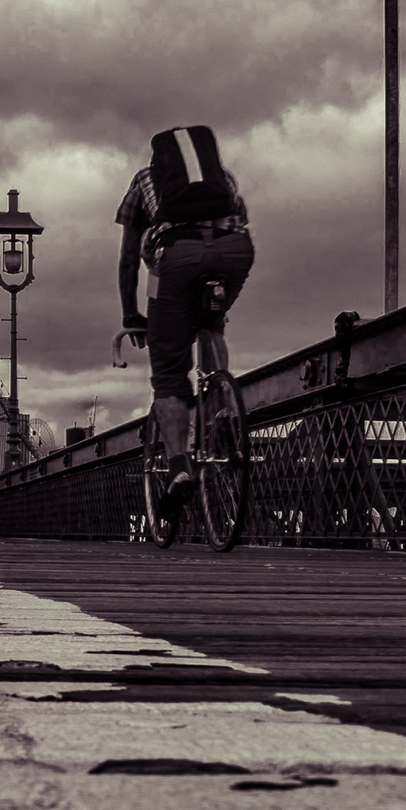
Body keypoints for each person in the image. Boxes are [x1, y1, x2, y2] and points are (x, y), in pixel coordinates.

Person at [116, 126, 254, 519]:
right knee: (211, 324)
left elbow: (128, 259)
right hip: (235, 251)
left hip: (174, 260)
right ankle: (224, 407)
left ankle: (178, 469)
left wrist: (130, 314)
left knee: (169, 372)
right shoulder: (222, 178)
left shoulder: (144, 180)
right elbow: (240, 218)